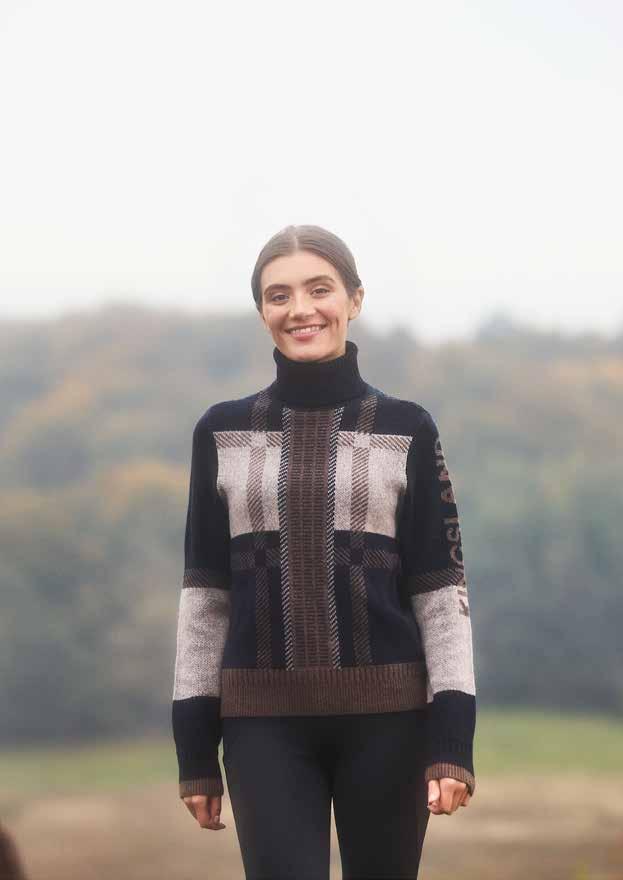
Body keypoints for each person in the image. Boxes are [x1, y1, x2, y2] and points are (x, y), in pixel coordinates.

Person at [171, 224, 477, 879]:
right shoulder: (220, 431)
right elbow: (204, 600)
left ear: (354, 300)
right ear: (262, 311)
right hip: (262, 724)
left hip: (390, 722)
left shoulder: (408, 428)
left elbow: (440, 593)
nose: (300, 309)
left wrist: (452, 737)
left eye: (319, 289)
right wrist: (194, 746)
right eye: (278, 295)